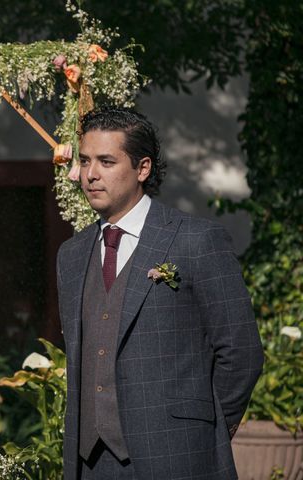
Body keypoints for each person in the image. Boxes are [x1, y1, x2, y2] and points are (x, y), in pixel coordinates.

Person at [56, 107, 264, 480]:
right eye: (85, 160)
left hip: (178, 455)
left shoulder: (196, 240)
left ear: (143, 168)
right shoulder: (71, 256)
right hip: (88, 461)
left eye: (106, 161)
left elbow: (241, 352)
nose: (90, 174)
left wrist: (206, 429)